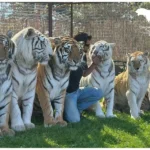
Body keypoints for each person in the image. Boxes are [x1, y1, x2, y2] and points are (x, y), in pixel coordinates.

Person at [64, 32, 104, 123]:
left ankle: (76, 108)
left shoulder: (83, 56)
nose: (88, 47)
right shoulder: (68, 54)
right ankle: (66, 110)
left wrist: (94, 64)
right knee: (75, 120)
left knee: (98, 92)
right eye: (87, 45)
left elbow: (84, 74)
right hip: (67, 94)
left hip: (76, 91)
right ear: (80, 43)